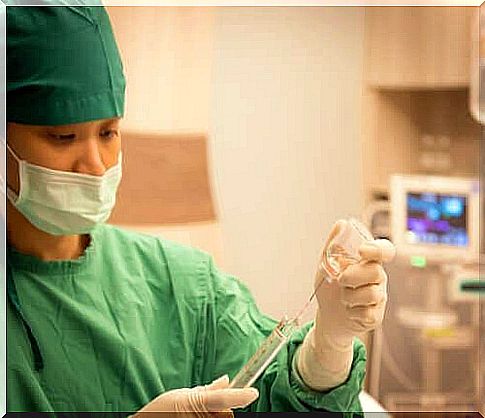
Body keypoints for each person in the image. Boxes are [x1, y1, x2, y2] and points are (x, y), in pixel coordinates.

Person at [5, 4, 393, 415]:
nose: (96, 164)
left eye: (108, 132)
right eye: (63, 136)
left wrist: (327, 346)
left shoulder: (183, 287)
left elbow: (277, 397)